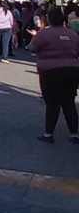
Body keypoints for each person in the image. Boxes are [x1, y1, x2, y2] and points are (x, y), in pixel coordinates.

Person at [28, 8, 79, 144]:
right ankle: (74, 134)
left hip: (50, 70)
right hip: (71, 69)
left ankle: (48, 133)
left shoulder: (44, 33)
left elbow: (32, 47)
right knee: (69, 102)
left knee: (52, 103)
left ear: (49, 19)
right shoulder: (72, 34)